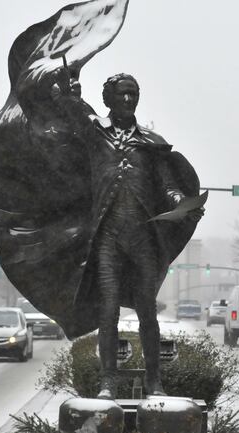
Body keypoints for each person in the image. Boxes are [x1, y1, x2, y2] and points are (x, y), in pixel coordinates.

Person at [51, 72, 203, 399]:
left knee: (147, 309)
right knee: (109, 310)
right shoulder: (96, 134)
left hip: (142, 236)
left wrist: (182, 204)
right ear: (108, 99)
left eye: (133, 94)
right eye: (121, 94)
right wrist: (69, 94)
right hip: (107, 236)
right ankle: (108, 382)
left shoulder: (150, 143)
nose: (128, 99)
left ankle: (154, 382)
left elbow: (167, 186)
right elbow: (73, 112)